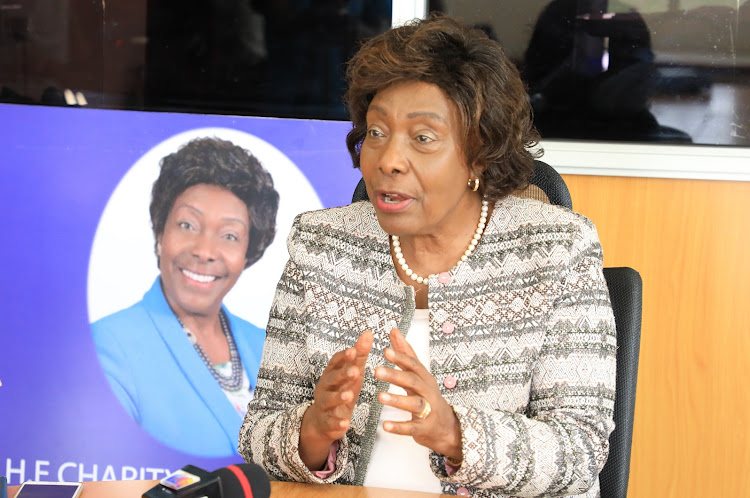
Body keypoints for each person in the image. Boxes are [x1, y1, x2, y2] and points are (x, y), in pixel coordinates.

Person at [238, 14, 616, 497]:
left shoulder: (556, 252)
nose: (388, 159)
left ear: (479, 153)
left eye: (422, 138)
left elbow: (580, 453)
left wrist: (453, 432)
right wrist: (313, 429)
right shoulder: (320, 246)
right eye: (377, 132)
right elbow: (258, 435)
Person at [92, 137, 279, 457]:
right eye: (187, 225)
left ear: (249, 252)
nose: (204, 251)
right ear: (160, 232)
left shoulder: (269, 347)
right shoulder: (108, 345)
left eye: (229, 235)